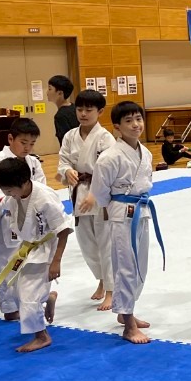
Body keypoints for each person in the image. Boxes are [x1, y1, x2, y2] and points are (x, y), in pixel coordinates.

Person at [92, 101, 160, 344]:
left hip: (142, 210)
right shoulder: (109, 157)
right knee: (126, 268)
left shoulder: (146, 152)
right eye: (129, 121)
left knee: (141, 266)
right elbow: (100, 192)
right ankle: (129, 326)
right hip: (122, 214)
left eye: (138, 119)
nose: (136, 125)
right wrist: (114, 207)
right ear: (117, 127)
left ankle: (126, 310)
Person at [0, 156, 72, 352]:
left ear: (23, 182)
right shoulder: (15, 197)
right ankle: (48, 297)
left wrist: (56, 262)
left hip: (47, 247)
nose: (7, 194)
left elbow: (63, 230)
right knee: (16, 291)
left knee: (27, 294)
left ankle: (41, 336)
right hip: (28, 247)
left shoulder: (44, 198)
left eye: (9, 190)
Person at [0, 117, 47, 321]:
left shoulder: (33, 163)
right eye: (23, 142)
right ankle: (9, 306)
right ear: (10, 139)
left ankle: (32, 301)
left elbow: (41, 188)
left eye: (32, 143)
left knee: (30, 264)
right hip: (5, 222)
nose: (27, 148)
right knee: (6, 263)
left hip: (29, 221)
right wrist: (10, 200)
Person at [56, 89, 116, 309]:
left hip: (100, 196)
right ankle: (101, 280)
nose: (83, 113)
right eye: (79, 109)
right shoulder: (70, 136)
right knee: (87, 244)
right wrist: (67, 171)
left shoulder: (105, 138)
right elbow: (63, 160)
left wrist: (95, 194)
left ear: (100, 112)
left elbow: (108, 169)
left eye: (88, 110)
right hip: (78, 192)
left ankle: (111, 290)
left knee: (105, 242)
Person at [48, 75, 78, 144]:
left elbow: (65, 142)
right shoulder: (75, 107)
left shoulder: (60, 116)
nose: (47, 93)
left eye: (50, 89)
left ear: (60, 93)